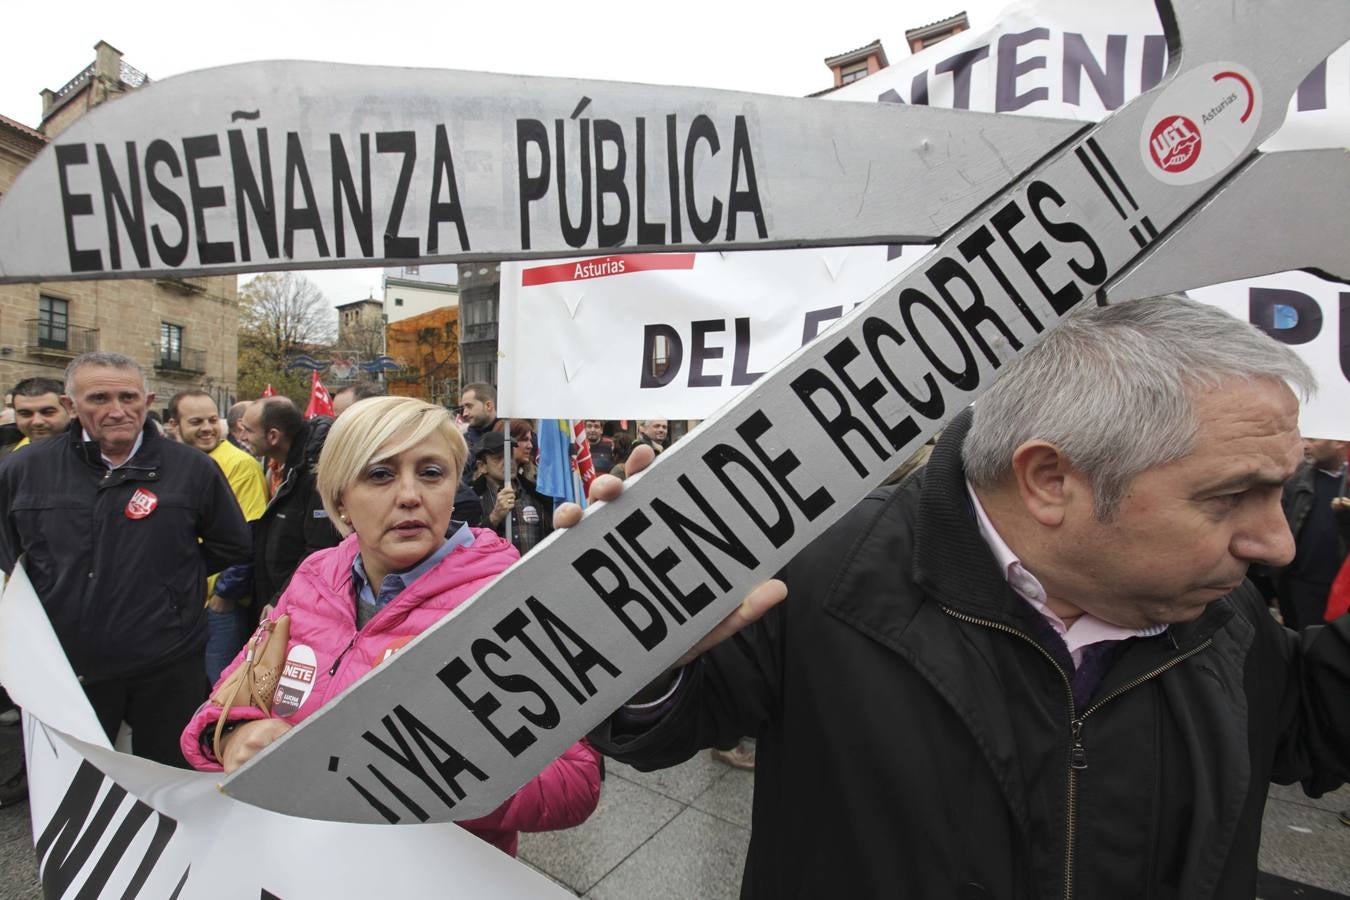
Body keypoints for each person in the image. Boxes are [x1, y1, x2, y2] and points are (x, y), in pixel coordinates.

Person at [584, 297, 1350, 899]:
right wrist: (627, 630)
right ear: (1051, 480)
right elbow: (648, 731)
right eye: (1230, 497)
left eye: (1279, 491)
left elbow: (1311, 725)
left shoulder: (1227, 611)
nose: (1276, 544)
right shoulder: (814, 571)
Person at [180, 397, 600, 854]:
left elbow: (574, 782)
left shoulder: (506, 592)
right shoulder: (314, 575)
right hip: (304, 864)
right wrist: (237, 738)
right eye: (380, 474)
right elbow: (226, 703)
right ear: (340, 497)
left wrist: (406, 775)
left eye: (431, 473)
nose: (409, 495)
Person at [0, 352, 251, 767]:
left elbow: (233, 543)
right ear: (70, 405)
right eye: (99, 398)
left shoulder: (192, 469)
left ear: (147, 399)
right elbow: (8, 547)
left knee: (171, 776)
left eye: (129, 397)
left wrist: (166, 580)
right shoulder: (25, 468)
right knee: (75, 779)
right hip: (66, 665)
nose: (117, 411)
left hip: (168, 660)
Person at [168, 391, 270, 682]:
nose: (207, 428)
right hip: (179, 601)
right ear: (175, 425)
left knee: (222, 685)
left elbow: (250, 532)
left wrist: (225, 594)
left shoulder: (239, 464)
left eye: (213, 420)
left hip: (217, 604)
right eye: (196, 421)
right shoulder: (170, 464)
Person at [240, 397, 342, 610]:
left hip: (298, 605)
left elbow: (317, 551)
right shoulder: (282, 469)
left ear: (273, 436)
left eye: (248, 430)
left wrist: (280, 599)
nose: (242, 437)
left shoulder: (315, 474)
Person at [1258, 437, 1350, 629]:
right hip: (1299, 586)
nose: (1306, 445)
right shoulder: (1295, 480)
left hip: (1341, 589)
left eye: (1314, 440)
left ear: (1339, 443)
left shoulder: (1347, 483)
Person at [472, 429, 552, 555]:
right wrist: (494, 518)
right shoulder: (474, 499)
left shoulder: (535, 493)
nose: (508, 462)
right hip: (499, 573)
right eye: (498, 458)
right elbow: (469, 546)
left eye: (509, 455)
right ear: (482, 466)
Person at [10, 377, 70, 450]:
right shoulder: (5, 453)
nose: (37, 422)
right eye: (26, 414)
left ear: (70, 409)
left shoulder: (85, 454)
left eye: (48, 412)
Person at [459, 383, 497, 448]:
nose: (464, 414)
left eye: (469, 406)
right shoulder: (462, 442)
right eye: (464, 408)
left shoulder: (511, 435)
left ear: (488, 406)